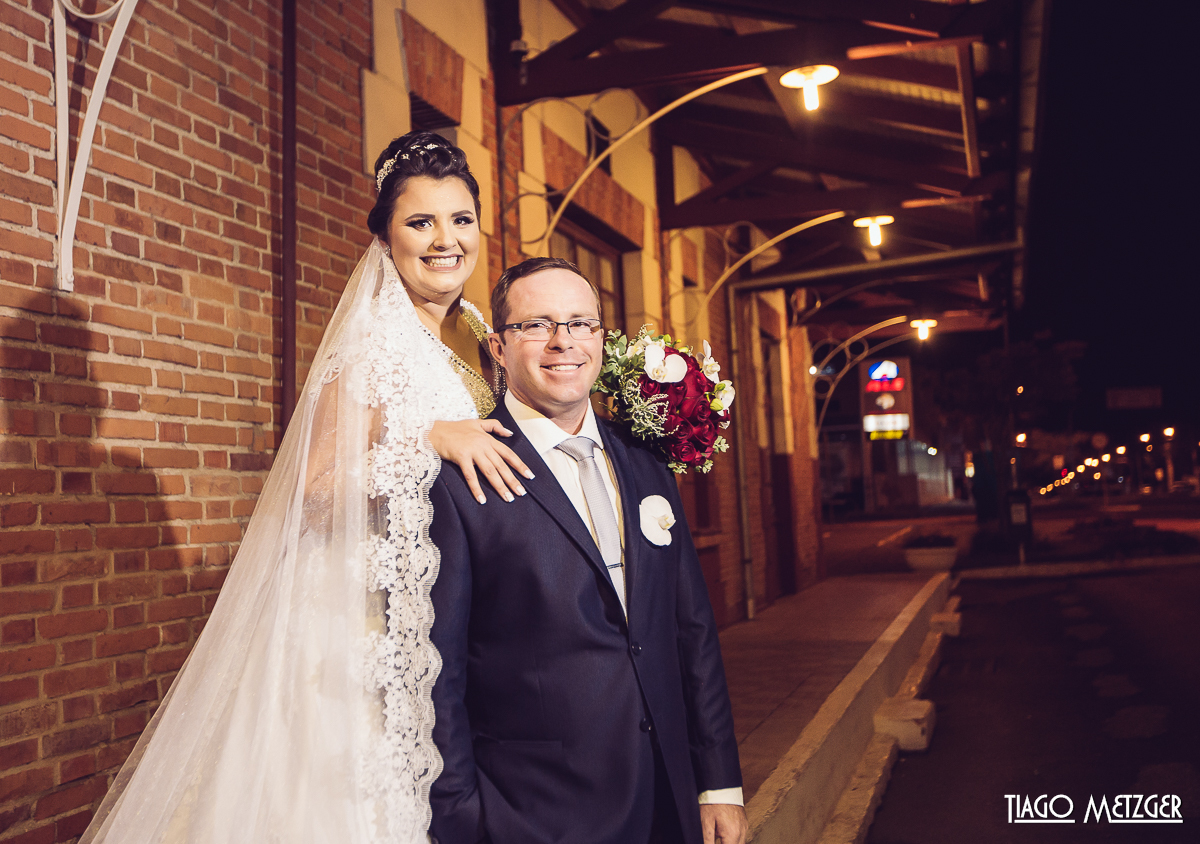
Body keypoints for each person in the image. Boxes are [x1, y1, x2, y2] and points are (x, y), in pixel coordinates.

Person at [80, 131, 530, 844]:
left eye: (460, 219)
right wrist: (423, 440)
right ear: (384, 239)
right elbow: (314, 493)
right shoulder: (371, 347)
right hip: (352, 643)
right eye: (420, 222)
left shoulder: (458, 337)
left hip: (434, 624)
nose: (446, 239)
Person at [428, 257, 748, 844]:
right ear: (498, 349)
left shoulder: (647, 461)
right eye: (537, 325)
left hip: (668, 799)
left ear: (601, 339)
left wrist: (717, 784)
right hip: (537, 812)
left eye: (581, 324)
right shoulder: (460, 477)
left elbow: (691, 630)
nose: (562, 342)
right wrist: (463, 819)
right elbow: (437, 670)